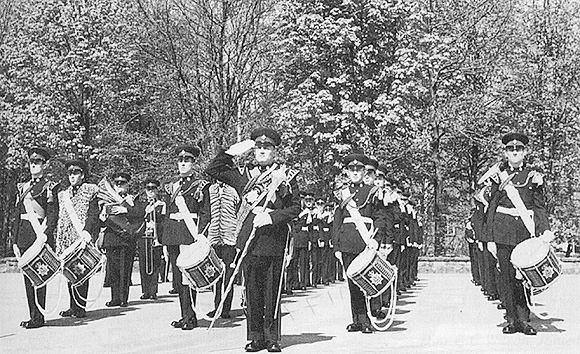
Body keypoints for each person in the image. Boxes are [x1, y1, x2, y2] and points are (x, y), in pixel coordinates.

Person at [205, 127, 300, 353]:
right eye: (258, 147)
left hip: (274, 239)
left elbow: (295, 208)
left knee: (273, 292)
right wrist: (234, 151)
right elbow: (213, 169)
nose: (262, 151)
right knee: (252, 292)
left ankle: (273, 337)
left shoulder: (287, 174)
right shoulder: (243, 174)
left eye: (266, 147)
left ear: (275, 151)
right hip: (250, 239)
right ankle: (255, 336)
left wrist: (271, 217)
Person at [483, 133, 554, 335]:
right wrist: (489, 238)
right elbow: (491, 207)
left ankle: (524, 320)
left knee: (523, 277)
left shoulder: (534, 177)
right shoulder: (498, 175)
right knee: (505, 277)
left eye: (519, 149)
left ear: (525, 152)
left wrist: (545, 229)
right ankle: (512, 319)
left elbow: (539, 207)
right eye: (511, 150)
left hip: (525, 232)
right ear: (505, 152)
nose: (515, 152)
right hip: (502, 232)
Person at [332, 153, 387, 334]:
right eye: (351, 169)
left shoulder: (372, 192)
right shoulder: (342, 194)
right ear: (347, 172)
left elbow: (380, 218)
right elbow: (337, 221)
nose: (355, 172)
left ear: (364, 172)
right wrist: (336, 246)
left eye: (359, 169)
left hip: (366, 242)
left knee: (367, 282)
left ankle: (366, 320)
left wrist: (376, 240)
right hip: (347, 242)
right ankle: (357, 319)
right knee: (352, 283)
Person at [162, 145, 210, 330]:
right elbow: (167, 214)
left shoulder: (200, 185)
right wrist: (165, 240)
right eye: (180, 160)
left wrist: (201, 235)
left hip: (190, 235)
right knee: (177, 278)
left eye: (187, 160)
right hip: (173, 235)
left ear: (193, 163)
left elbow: (206, 213)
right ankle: (184, 315)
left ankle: (191, 317)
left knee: (188, 278)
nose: (183, 164)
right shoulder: (170, 186)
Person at [12, 147, 58, 329]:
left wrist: (45, 236)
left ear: (44, 165)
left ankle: (39, 317)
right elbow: (17, 215)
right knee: (27, 278)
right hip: (24, 236)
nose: (33, 165)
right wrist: (15, 240)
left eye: (37, 162)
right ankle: (33, 314)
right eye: (31, 162)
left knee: (39, 276)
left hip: (39, 237)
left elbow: (52, 215)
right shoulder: (22, 187)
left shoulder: (50, 187)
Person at [55, 159, 100, 318]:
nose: (72, 176)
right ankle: (72, 306)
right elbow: (61, 218)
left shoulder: (90, 191)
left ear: (83, 174)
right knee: (69, 273)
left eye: (76, 173)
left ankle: (80, 306)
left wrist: (88, 232)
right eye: (70, 173)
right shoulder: (63, 195)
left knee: (81, 272)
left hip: (82, 236)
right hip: (68, 238)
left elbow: (93, 214)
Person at [100, 172, 144, 307]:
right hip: (112, 238)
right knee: (113, 270)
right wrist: (102, 216)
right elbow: (101, 218)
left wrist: (125, 209)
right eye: (117, 183)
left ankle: (123, 298)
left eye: (122, 183)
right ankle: (115, 298)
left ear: (127, 185)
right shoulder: (107, 198)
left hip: (126, 239)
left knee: (125, 269)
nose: (119, 186)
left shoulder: (133, 199)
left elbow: (140, 213)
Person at [206, 179, 240, 319]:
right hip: (213, 237)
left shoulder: (233, 190)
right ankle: (217, 306)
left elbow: (239, 212)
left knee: (228, 274)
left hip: (229, 238)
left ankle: (225, 308)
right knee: (215, 274)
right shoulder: (210, 190)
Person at [137, 178, 165, 300]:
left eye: (153, 188)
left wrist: (156, 226)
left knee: (155, 265)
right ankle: (145, 291)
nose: (150, 191)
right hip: (145, 237)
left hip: (155, 237)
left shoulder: (161, 205)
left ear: (157, 190)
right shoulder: (144, 206)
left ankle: (153, 291)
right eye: (148, 189)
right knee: (144, 264)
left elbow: (164, 223)